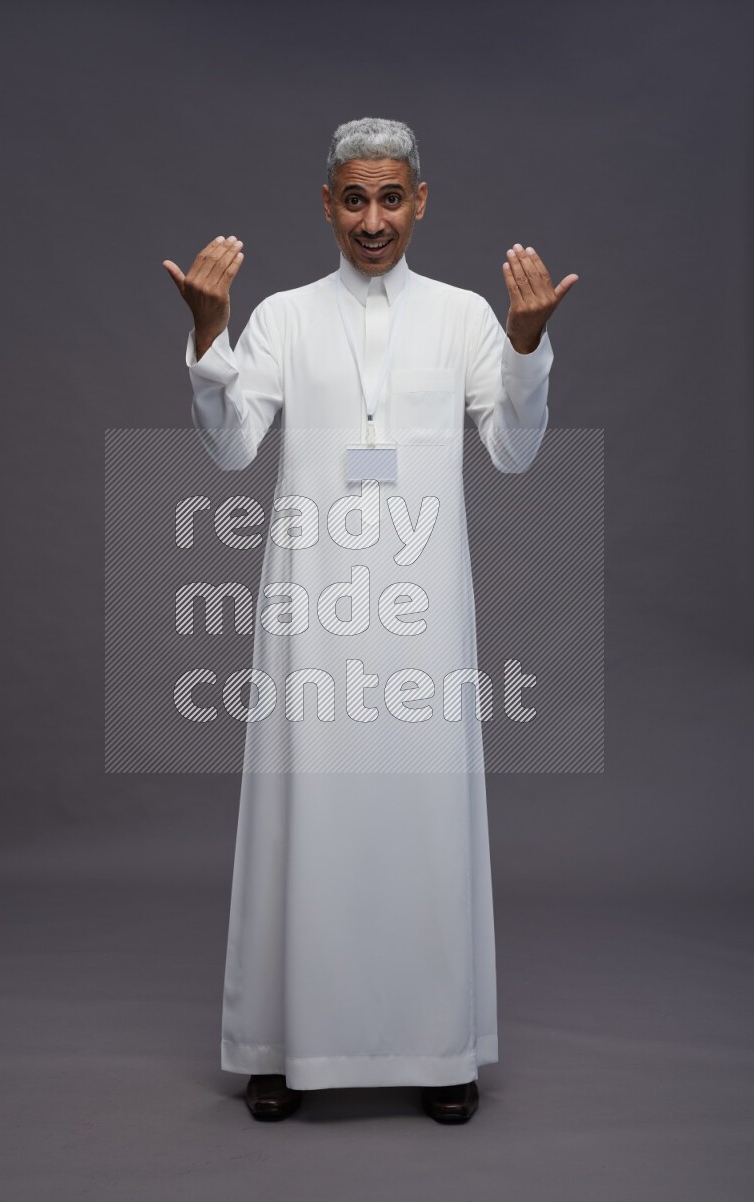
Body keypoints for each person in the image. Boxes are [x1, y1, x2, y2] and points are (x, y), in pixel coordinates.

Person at [163, 117, 577, 1124]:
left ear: (420, 201)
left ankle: (438, 1047)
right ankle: (278, 1041)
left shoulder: (466, 317)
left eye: (391, 197)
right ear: (326, 205)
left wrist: (524, 348)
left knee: (423, 816)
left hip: (421, 608)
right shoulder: (285, 318)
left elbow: (513, 452)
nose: (373, 218)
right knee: (302, 810)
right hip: (312, 606)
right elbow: (227, 449)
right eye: (354, 198)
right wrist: (210, 336)